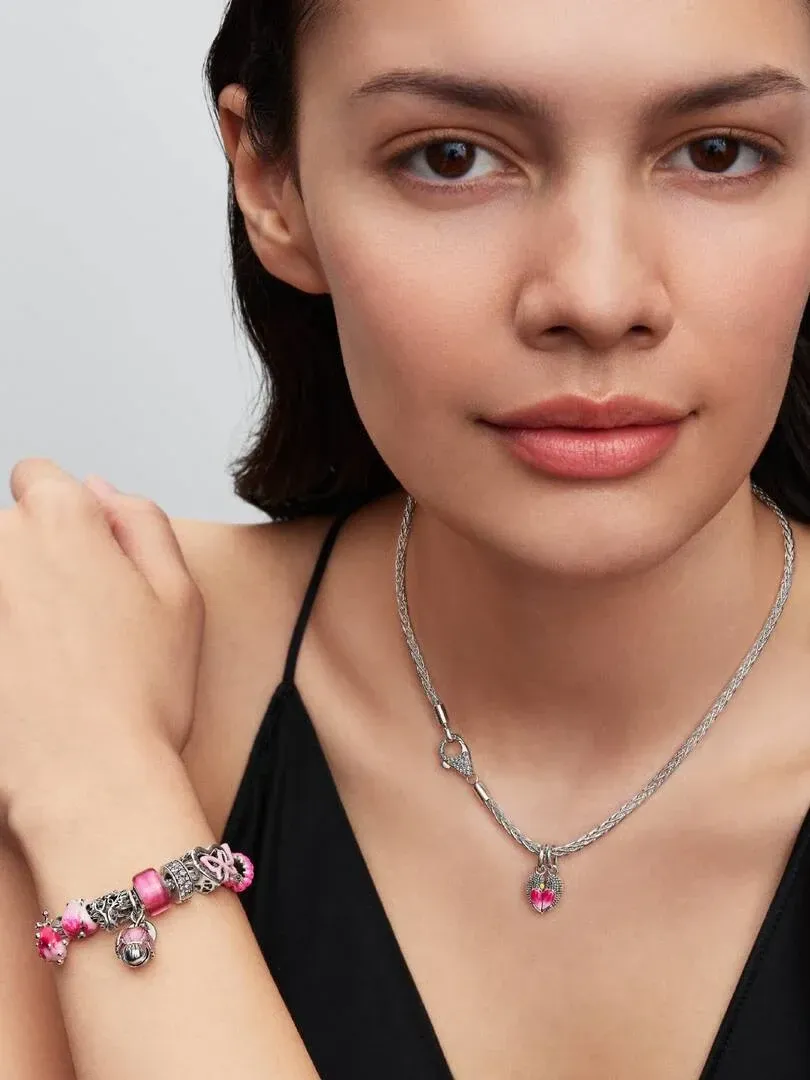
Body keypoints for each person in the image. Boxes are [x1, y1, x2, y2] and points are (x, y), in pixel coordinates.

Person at [3, 0, 810, 1076]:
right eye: (451, 157)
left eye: (719, 153)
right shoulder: (67, 651)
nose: (597, 296)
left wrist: (100, 792)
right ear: (273, 186)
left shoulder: (72, 722)